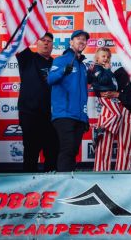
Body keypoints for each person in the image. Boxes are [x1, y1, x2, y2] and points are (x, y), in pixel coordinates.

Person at [48, 29, 90, 172]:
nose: (81, 41)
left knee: (73, 151)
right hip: (64, 114)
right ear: (71, 42)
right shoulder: (61, 60)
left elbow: (82, 92)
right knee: (68, 149)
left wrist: (85, 116)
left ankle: (69, 180)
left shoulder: (83, 66)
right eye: (78, 38)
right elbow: (50, 79)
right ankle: (63, 181)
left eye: (84, 39)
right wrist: (62, 71)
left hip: (79, 116)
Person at [16, 32, 58, 172]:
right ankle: (29, 184)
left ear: (52, 45)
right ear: (36, 42)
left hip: (52, 116)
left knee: (52, 152)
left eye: (49, 41)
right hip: (30, 114)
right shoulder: (28, 58)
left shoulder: (57, 64)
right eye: (43, 40)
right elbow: (17, 38)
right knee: (31, 153)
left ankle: (52, 184)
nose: (46, 43)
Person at [90, 47, 131, 171]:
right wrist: (100, 93)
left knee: (125, 145)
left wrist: (119, 95)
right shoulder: (119, 71)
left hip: (128, 109)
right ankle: (100, 172)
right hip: (110, 107)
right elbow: (104, 84)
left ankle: (123, 173)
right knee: (104, 142)